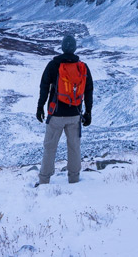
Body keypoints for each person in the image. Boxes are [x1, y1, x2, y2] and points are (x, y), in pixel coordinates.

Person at [36, 34, 93, 184]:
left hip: (55, 115)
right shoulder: (82, 67)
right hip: (75, 114)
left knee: (50, 147)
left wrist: (40, 106)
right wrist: (88, 112)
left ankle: (44, 180)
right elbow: (88, 90)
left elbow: (44, 87)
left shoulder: (53, 65)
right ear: (74, 48)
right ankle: (74, 179)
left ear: (62, 47)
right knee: (74, 147)